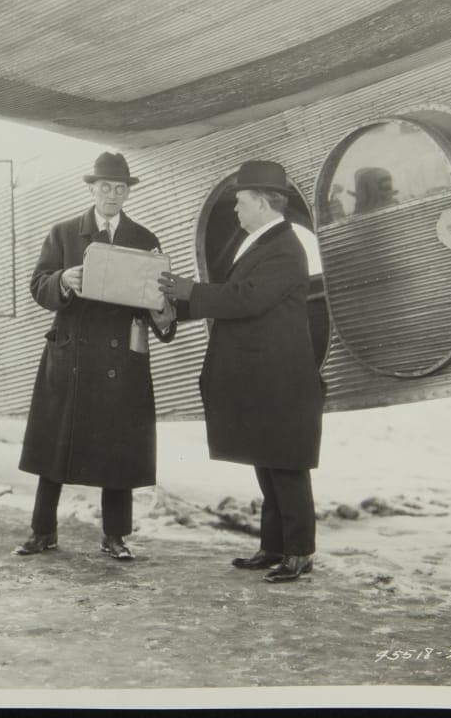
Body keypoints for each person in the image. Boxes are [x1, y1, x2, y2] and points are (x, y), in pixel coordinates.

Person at [158, 160, 324, 583]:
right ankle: (273, 546)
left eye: (242, 202)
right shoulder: (266, 242)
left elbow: (245, 299)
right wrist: (181, 303)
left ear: (265, 204)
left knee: (286, 466)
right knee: (268, 461)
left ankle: (300, 552)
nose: (236, 210)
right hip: (266, 375)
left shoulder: (285, 247)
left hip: (279, 376)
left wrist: (188, 291)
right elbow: (237, 298)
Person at [15, 151, 175, 561]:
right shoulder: (64, 232)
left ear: (127, 193)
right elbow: (37, 285)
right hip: (72, 355)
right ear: (92, 188)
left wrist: (161, 306)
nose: (112, 194)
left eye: (120, 188)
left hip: (120, 361)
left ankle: (115, 536)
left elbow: (160, 300)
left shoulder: (145, 238)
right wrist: (62, 280)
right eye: (105, 187)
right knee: (55, 449)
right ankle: (42, 531)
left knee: (117, 450)